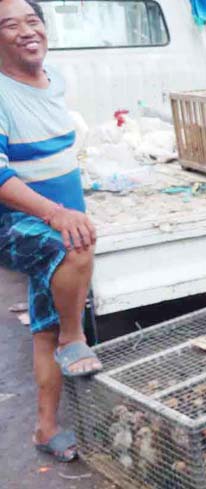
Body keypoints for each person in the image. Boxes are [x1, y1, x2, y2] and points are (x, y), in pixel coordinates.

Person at [0, 0, 101, 462]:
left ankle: (45, 429)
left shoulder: (54, 80)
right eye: (9, 24)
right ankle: (72, 336)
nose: (26, 31)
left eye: (32, 20)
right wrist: (57, 215)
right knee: (73, 247)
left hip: (56, 215)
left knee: (44, 324)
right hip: (18, 223)